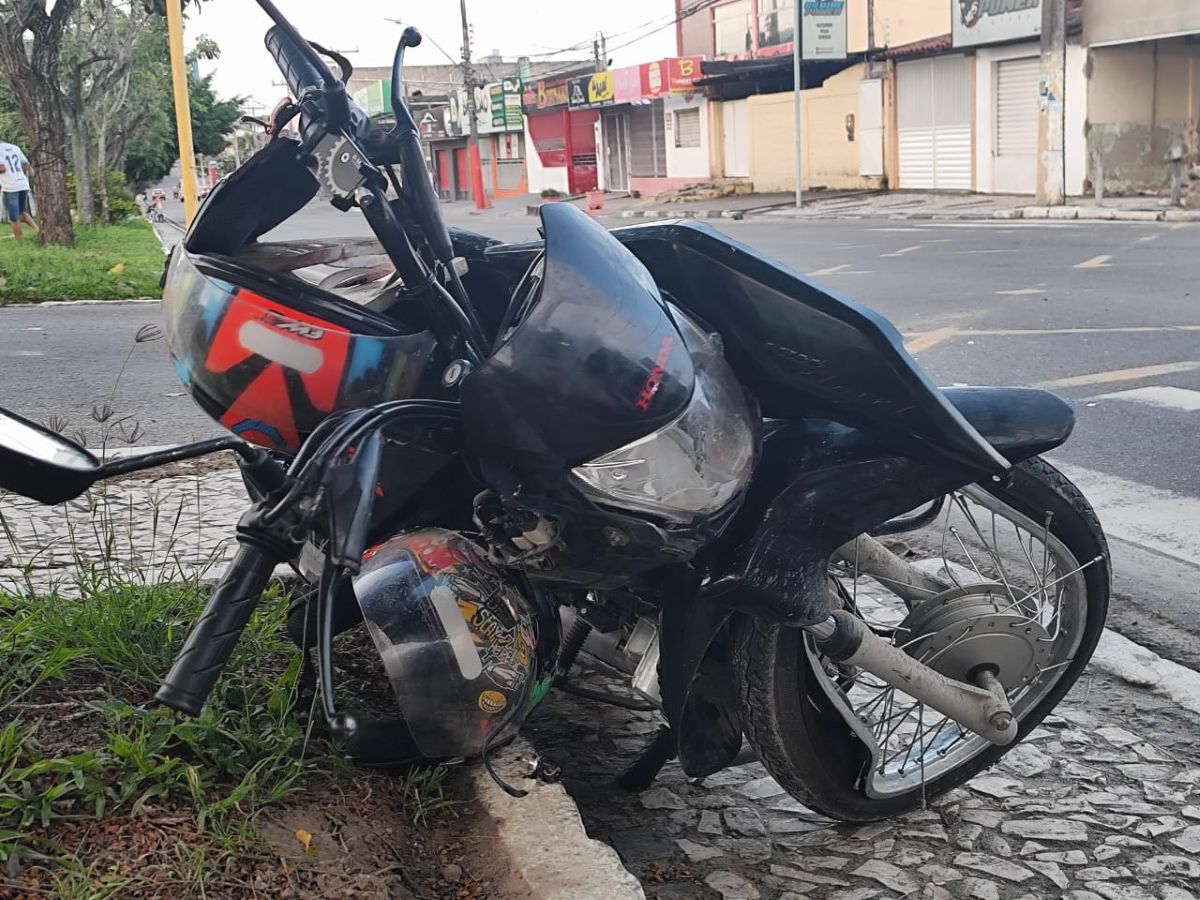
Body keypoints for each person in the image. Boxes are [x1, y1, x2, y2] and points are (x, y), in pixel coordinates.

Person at [0, 140, 35, 239]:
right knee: (21, 213)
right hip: (23, 183)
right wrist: (33, 175)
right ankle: (39, 232)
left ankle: (19, 242)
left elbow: (2, 168)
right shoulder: (14, 147)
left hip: (11, 187)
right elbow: (26, 164)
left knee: (14, 218)